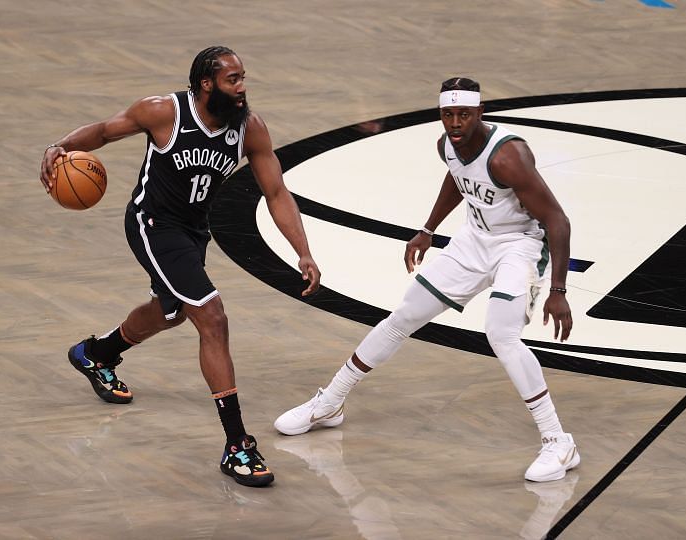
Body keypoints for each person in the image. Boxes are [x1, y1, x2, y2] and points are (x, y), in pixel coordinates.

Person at [40, 46, 321, 488]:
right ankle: (236, 445)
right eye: (233, 79)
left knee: (172, 311)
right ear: (207, 84)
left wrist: (302, 251)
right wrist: (61, 147)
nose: (243, 87)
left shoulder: (249, 129)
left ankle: (96, 354)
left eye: (244, 77)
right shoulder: (163, 112)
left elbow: (277, 193)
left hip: (193, 231)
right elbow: (103, 132)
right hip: (153, 224)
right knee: (211, 317)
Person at [275, 77, 579, 483]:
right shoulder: (447, 145)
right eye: (448, 114)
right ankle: (330, 402)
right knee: (403, 316)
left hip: (519, 246)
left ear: (479, 113)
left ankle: (559, 442)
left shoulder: (509, 156)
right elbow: (458, 178)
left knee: (501, 335)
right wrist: (428, 228)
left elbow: (557, 219)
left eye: (463, 115)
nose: (455, 122)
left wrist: (558, 290)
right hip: (475, 241)